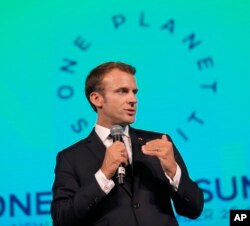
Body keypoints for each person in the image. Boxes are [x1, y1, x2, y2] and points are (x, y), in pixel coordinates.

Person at [51, 61, 204, 226]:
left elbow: (194, 209)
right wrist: (103, 174)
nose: (133, 99)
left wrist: (173, 172)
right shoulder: (71, 158)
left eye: (134, 92)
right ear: (97, 99)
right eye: (122, 91)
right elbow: (62, 219)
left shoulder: (160, 142)